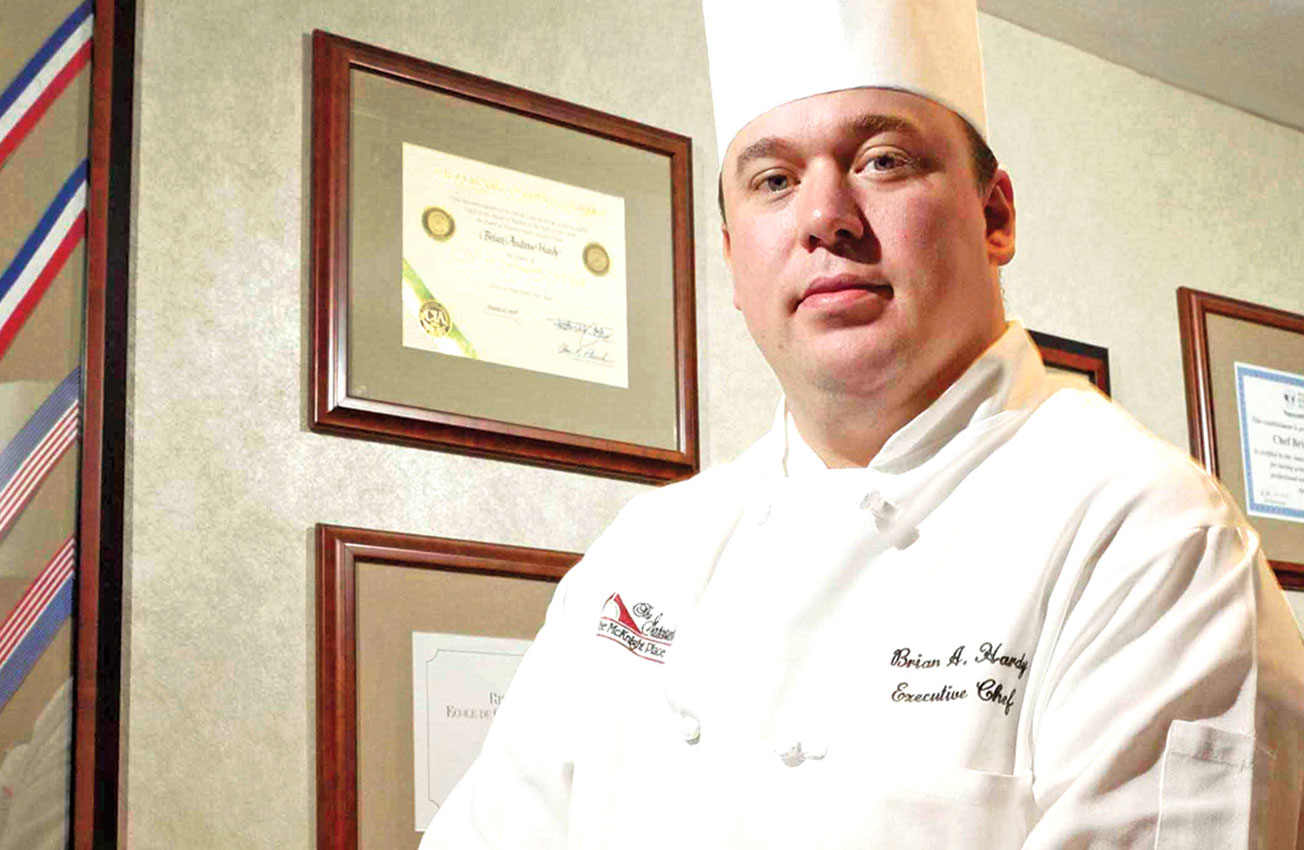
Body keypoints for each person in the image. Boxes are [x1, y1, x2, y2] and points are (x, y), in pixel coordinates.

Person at [420, 0, 1304, 846]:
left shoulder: (1150, 542)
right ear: (733, 260)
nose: (823, 218)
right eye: (772, 181)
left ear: (993, 215)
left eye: (882, 160)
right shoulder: (643, 551)